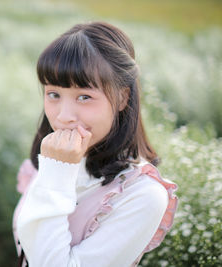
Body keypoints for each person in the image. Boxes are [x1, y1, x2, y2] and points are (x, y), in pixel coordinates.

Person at [12, 21, 178, 267]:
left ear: (123, 98)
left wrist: (56, 174)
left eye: (84, 97)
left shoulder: (143, 195)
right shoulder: (58, 157)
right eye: (54, 94)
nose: (64, 115)